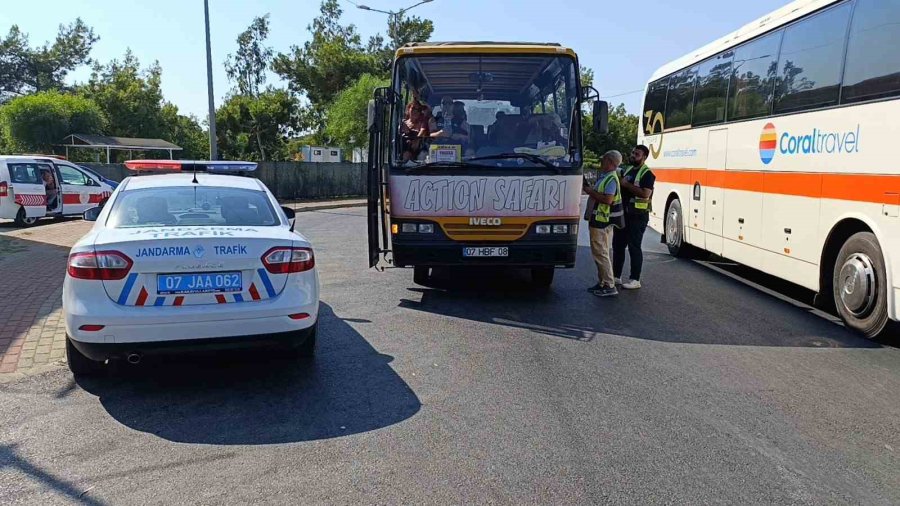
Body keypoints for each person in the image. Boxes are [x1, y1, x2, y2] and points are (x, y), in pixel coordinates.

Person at [582, 150, 625, 297]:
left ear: (610, 162)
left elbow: (608, 200)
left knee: (601, 253)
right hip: (601, 220)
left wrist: (588, 190)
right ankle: (602, 282)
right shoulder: (607, 177)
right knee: (602, 252)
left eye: (604, 159)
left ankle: (608, 284)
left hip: (602, 221)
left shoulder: (611, 179)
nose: (601, 161)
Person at [613, 145, 655, 290]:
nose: (632, 155)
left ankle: (635, 279)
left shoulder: (647, 174)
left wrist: (626, 184)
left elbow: (645, 194)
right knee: (618, 246)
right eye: (632, 153)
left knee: (634, 247)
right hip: (624, 214)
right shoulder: (630, 170)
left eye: (636, 154)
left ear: (644, 157)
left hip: (638, 216)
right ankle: (616, 276)